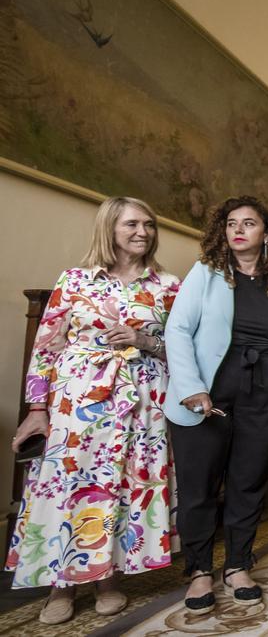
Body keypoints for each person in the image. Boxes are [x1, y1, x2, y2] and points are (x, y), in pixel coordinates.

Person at [7, 197, 179, 625]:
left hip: (142, 402)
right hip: (79, 399)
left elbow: (187, 350)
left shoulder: (168, 286)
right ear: (109, 228)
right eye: (132, 224)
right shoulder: (75, 280)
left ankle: (108, 580)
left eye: (149, 224)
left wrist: (145, 341)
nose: (143, 232)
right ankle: (58, 585)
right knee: (69, 483)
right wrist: (36, 407)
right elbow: (46, 347)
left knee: (123, 484)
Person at [165, 195, 268, 614]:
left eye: (249, 223)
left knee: (249, 484)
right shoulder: (206, 273)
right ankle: (198, 571)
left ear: (266, 232)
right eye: (231, 223)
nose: (238, 230)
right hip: (208, 394)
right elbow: (177, 330)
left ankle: (239, 565)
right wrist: (191, 387)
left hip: (264, 393)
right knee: (199, 488)